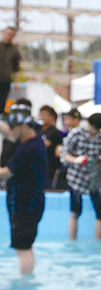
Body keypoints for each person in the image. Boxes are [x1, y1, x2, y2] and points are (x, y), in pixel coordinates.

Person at [0, 108, 47, 275]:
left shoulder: (28, 149)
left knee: (22, 248)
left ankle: (24, 284)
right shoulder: (33, 141)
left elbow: (7, 172)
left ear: (24, 127)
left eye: (13, 126)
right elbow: (9, 133)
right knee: (25, 246)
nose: (10, 130)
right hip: (30, 202)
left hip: (26, 204)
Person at [61, 112, 101, 240]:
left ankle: (98, 241)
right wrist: (75, 159)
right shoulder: (76, 133)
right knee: (75, 210)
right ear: (89, 124)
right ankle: (72, 241)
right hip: (76, 177)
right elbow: (64, 154)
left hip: (95, 178)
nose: (96, 131)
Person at [38, 105, 64, 188]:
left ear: (51, 117)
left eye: (45, 115)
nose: (42, 117)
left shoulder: (54, 132)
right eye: (40, 115)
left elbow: (44, 145)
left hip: (51, 167)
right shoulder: (38, 130)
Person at [0, 26, 22, 112]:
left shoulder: (14, 50)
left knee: (2, 102)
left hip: (6, 79)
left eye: (11, 34)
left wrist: (17, 82)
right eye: (7, 33)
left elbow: (16, 68)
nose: (8, 36)